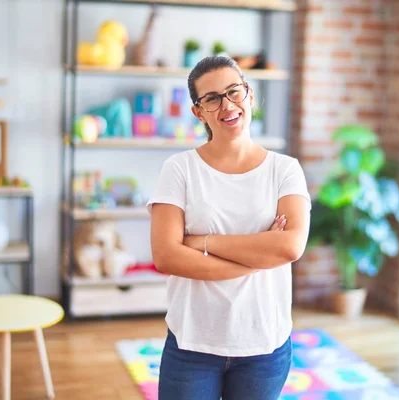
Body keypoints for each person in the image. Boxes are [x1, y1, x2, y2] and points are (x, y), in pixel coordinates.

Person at [147, 55, 311, 400]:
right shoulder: (178, 169)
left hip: (264, 345)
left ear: (249, 95)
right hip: (192, 345)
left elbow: (289, 248)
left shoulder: (285, 170)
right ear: (198, 112)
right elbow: (166, 256)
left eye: (234, 91)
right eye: (211, 98)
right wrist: (259, 253)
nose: (227, 105)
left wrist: (202, 242)